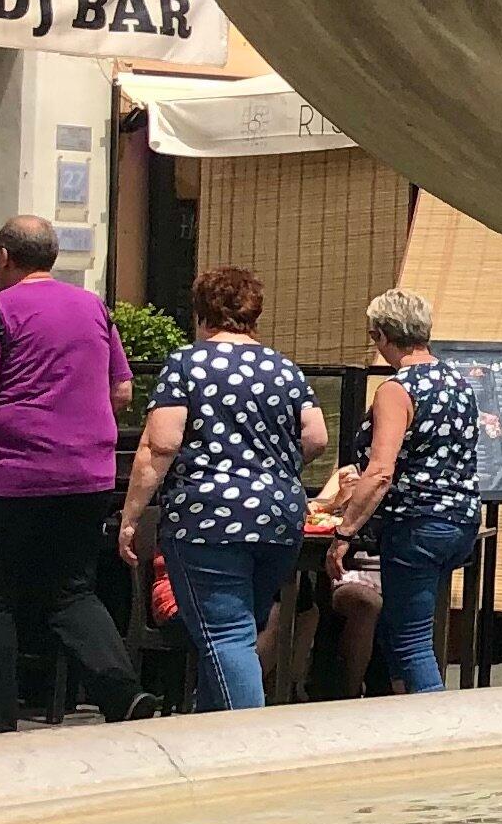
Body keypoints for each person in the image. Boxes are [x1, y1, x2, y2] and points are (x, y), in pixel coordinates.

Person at [0, 217, 158, 732]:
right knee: (70, 590)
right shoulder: (94, 307)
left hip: (11, 477)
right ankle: (123, 694)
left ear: (4, 257)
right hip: (87, 476)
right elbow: (121, 392)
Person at [116, 266, 328, 712]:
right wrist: (271, 470)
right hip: (279, 515)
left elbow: (162, 443)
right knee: (237, 630)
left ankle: (245, 746)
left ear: (201, 312)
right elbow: (317, 437)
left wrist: (131, 516)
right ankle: (205, 735)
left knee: (224, 635)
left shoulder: (187, 364)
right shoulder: (284, 368)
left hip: (208, 516)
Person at [322, 289, 481, 692]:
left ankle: (440, 727)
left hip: (416, 523)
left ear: (381, 335)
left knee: (410, 641)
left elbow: (379, 472)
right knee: (407, 629)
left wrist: (344, 532)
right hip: (460, 520)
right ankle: (407, 720)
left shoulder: (397, 390)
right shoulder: (459, 382)